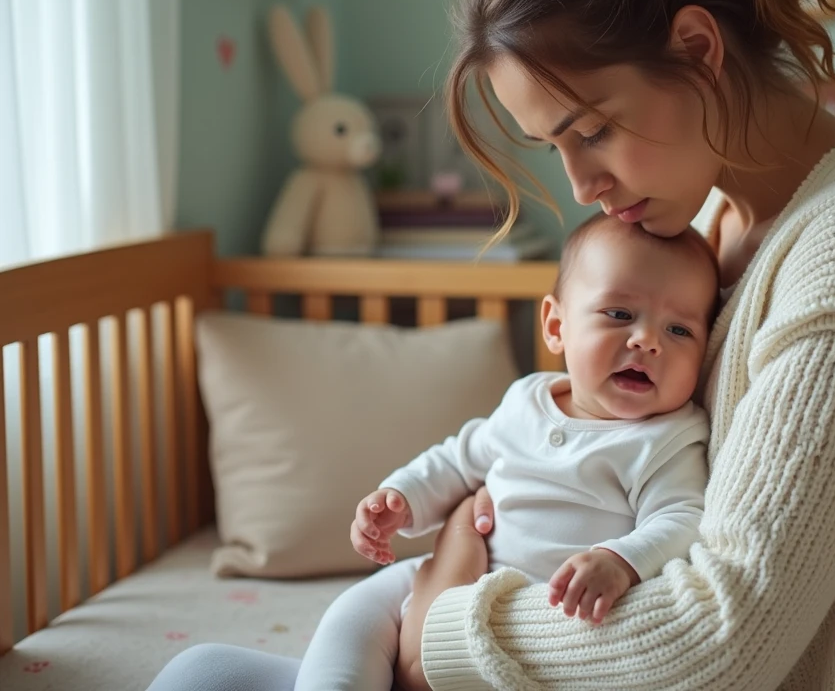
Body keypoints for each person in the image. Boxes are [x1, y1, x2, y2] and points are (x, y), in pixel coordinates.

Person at [148, 0, 835, 689]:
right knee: (196, 676)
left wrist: (434, 627)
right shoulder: (714, 225)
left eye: (592, 129)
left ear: (699, 51)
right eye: (553, 146)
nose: (583, 184)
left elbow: (722, 637)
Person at [292, 214, 718, 690]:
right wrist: (401, 497)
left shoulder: (667, 439)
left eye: (680, 331)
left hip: (523, 615)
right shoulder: (527, 401)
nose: (647, 341)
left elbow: (683, 517)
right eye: (619, 315)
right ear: (556, 326)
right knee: (355, 611)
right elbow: (459, 459)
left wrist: (621, 561)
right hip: (436, 576)